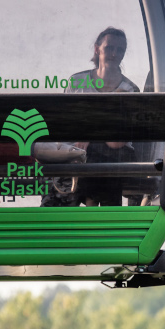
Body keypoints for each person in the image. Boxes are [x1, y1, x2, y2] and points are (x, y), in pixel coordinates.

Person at [53, 27, 142, 207]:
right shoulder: (77, 83)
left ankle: (86, 202)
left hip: (111, 155)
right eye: (109, 48)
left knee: (101, 155)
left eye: (120, 50)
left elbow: (116, 142)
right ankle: (91, 204)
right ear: (97, 49)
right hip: (78, 153)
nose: (114, 54)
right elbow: (65, 124)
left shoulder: (129, 90)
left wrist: (89, 134)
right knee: (81, 157)